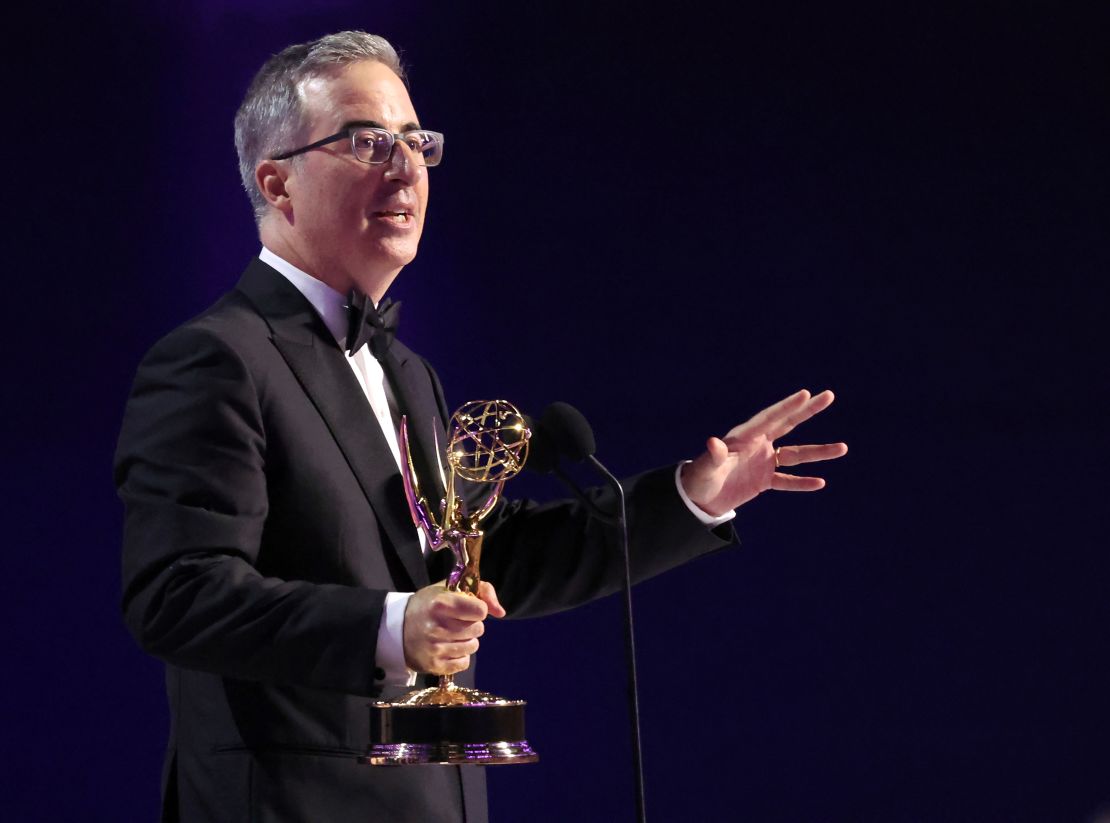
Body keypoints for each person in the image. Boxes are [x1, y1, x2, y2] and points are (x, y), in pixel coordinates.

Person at [115, 31, 847, 823]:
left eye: (415, 143)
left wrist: (693, 496)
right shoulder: (216, 359)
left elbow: (490, 556)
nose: (405, 168)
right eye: (368, 143)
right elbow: (178, 594)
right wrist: (395, 625)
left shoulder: (407, 372)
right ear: (277, 184)